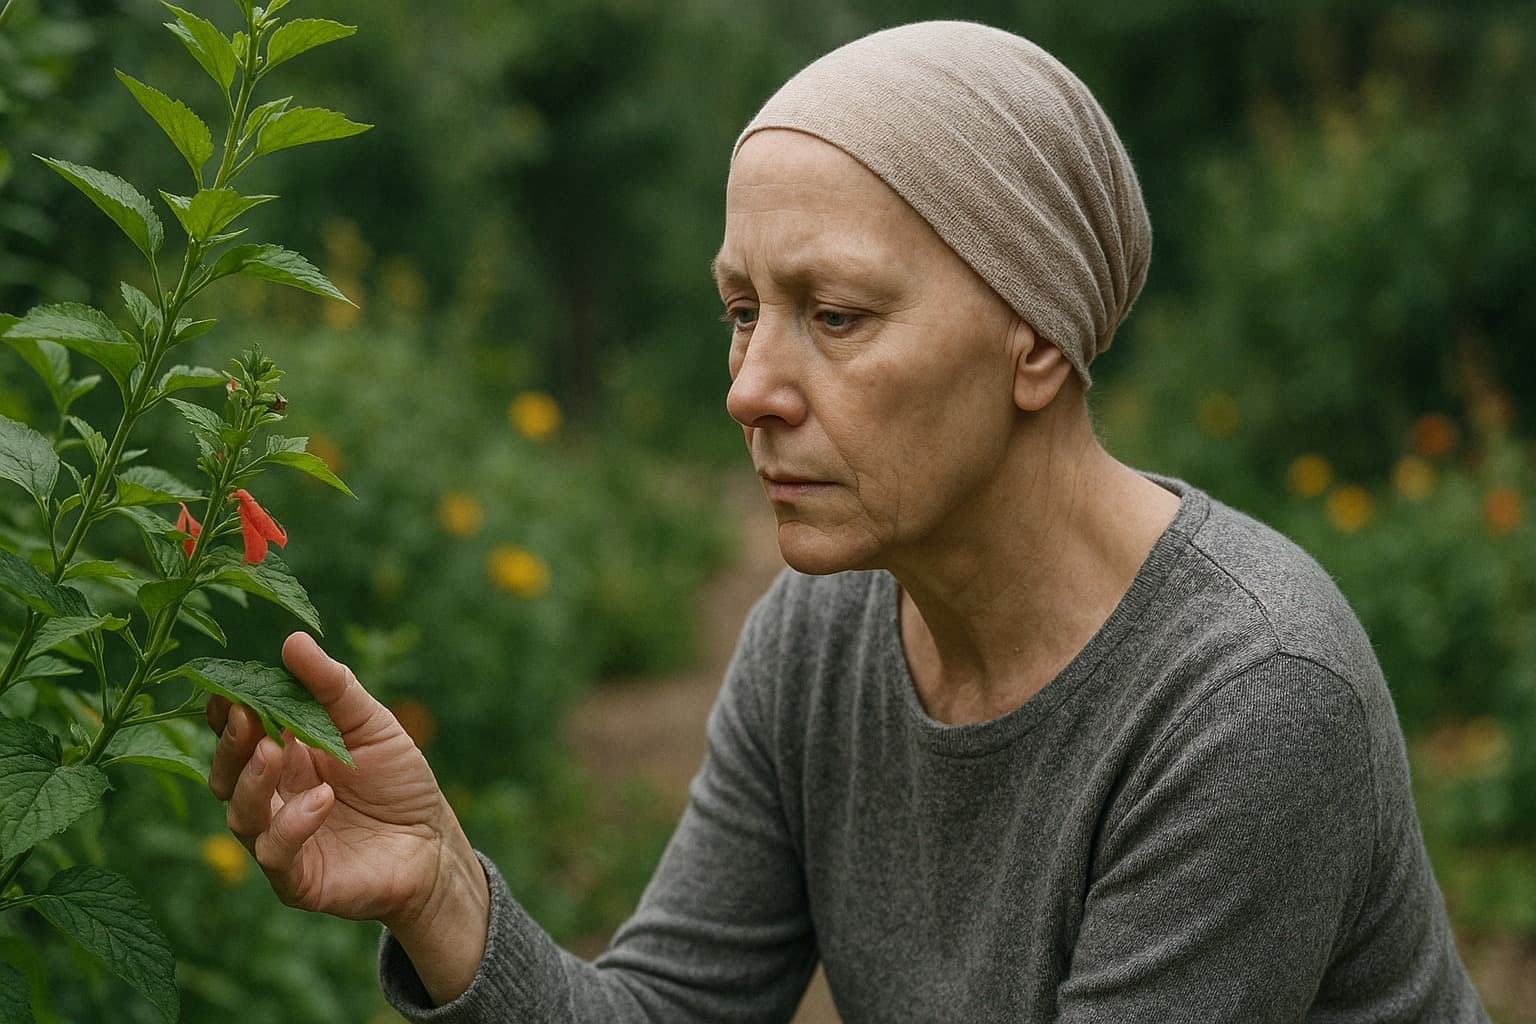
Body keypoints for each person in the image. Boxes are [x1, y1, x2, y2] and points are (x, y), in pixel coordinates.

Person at [208, 21, 1491, 1022]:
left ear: (1036, 338)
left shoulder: (1251, 698)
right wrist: (444, 892)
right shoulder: (821, 636)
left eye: (835, 315)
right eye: (742, 311)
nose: (749, 388)